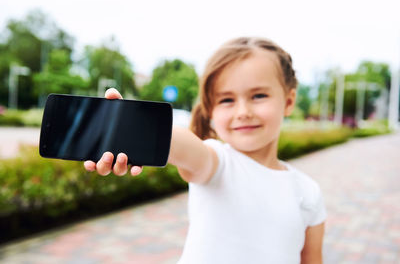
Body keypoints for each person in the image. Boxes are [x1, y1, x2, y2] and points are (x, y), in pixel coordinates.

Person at [84, 37, 326, 264]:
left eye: (258, 95)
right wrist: (140, 127)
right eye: (226, 100)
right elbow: (182, 146)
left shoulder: (309, 192)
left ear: (289, 101)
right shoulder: (216, 162)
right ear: (210, 111)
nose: (243, 111)